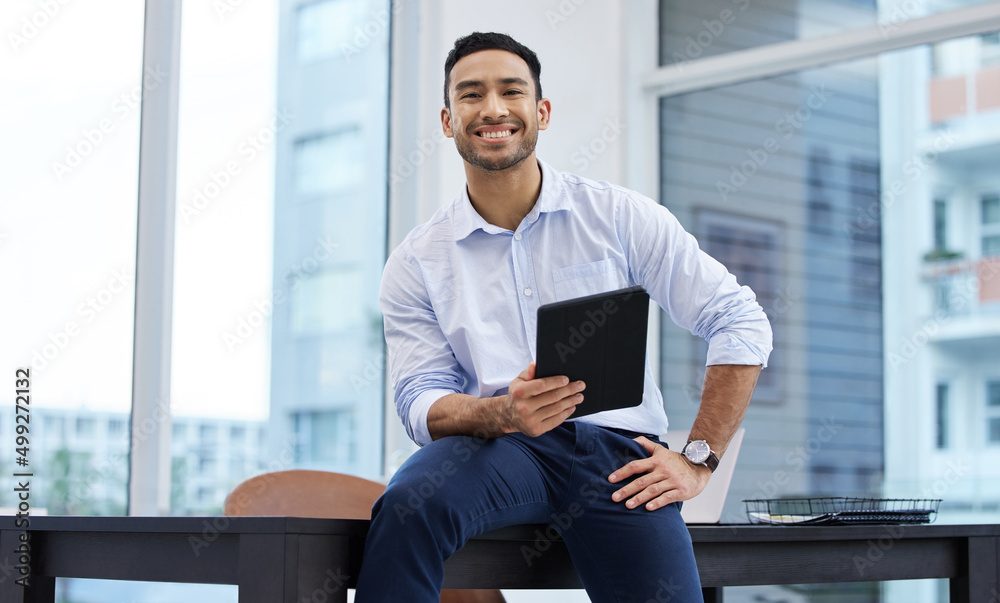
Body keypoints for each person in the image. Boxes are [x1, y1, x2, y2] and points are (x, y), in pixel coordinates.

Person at [355, 32, 772, 603]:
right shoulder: (417, 260)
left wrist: (698, 459)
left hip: (619, 458)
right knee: (409, 503)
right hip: (497, 447)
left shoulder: (618, 216)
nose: (494, 109)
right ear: (448, 120)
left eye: (512, 92)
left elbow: (738, 319)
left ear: (541, 111)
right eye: (472, 95)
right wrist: (500, 410)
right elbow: (419, 400)